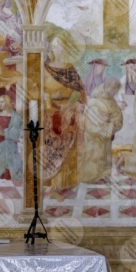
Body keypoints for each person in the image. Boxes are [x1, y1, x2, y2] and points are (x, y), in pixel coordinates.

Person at [42, 36, 85, 201]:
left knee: (68, 150)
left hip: (68, 115)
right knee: (52, 149)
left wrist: (69, 105)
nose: (58, 49)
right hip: (51, 114)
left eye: (61, 46)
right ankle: (50, 183)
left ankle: (64, 184)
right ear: (51, 49)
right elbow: (41, 90)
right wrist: (50, 101)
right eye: (54, 46)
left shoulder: (70, 69)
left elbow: (80, 92)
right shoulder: (46, 68)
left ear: (65, 49)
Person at [77, 78, 124, 184]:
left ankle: (103, 175)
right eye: (113, 88)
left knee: (105, 157)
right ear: (107, 87)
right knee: (94, 157)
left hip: (105, 138)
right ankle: (91, 177)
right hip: (93, 138)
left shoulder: (111, 100)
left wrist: (112, 122)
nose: (115, 91)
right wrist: (109, 122)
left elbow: (117, 116)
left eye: (117, 89)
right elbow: (92, 124)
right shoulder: (94, 101)